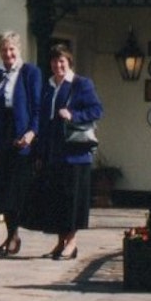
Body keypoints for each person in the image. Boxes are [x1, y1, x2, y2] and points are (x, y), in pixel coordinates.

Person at [29, 45, 103, 260]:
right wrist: (40, 153)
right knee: (56, 199)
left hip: (75, 154)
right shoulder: (49, 86)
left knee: (72, 201)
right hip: (53, 152)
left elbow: (97, 110)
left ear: (69, 62)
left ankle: (71, 243)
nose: (58, 65)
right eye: (54, 62)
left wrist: (72, 115)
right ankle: (60, 242)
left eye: (62, 61)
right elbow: (43, 119)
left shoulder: (81, 84)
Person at [0, 31, 42, 257]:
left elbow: (37, 107)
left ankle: (13, 235)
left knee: (17, 189)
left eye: (12, 49)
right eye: (4, 50)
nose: (8, 54)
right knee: (2, 188)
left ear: (19, 49)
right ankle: (10, 235)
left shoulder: (30, 72)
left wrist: (32, 132)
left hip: (21, 136)